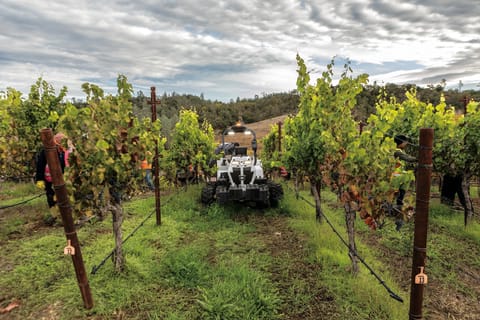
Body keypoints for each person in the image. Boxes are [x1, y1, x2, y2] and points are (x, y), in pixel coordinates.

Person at [35, 133, 68, 223]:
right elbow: (40, 166)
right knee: (51, 198)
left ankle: (66, 216)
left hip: (64, 180)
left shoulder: (66, 151)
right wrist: (39, 179)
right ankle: (55, 216)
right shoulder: (46, 151)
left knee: (65, 197)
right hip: (49, 181)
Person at [392, 134, 417, 230]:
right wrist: (421, 158)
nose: (406, 144)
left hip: (400, 179)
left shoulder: (401, 151)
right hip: (396, 180)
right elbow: (408, 158)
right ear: (401, 143)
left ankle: (399, 216)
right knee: (397, 198)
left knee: (400, 199)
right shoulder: (397, 152)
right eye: (405, 142)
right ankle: (397, 220)